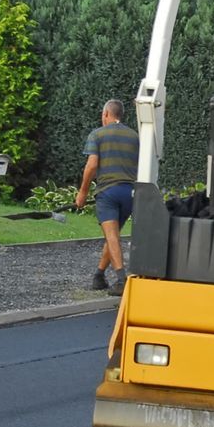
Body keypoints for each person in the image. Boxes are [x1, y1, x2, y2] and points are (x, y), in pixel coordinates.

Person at [75, 99, 138, 296]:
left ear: (106, 114)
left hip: (108, 192)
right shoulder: (134, 136)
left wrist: (83, 192)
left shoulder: (97, 134)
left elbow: (92, 165)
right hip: (129, 192)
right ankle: (99, 276)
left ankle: (121, 279)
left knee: (111, 236)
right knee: (113, 235)